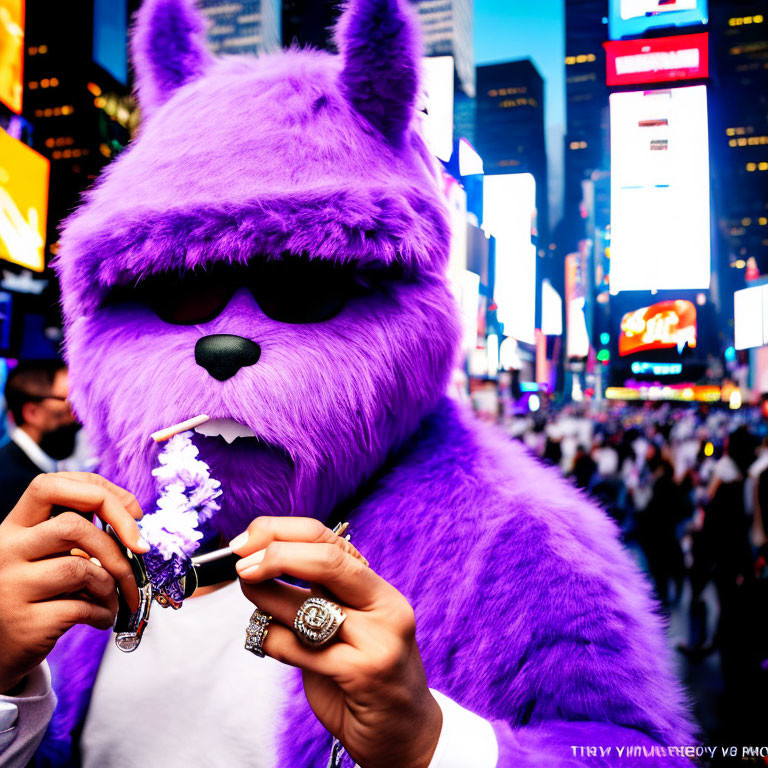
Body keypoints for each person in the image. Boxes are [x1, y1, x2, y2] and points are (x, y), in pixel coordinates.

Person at [0, 0, 695, 766]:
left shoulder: (518, 542)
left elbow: (635, 751)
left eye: (301, 290)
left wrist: (436, 745)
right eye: (181, 295)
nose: (224, 341)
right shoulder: (90, 537)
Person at [0, 361, 78, 521]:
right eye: (70, 403)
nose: (78, 416)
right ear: (32, 412)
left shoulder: (30, 469)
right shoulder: (12, 483)